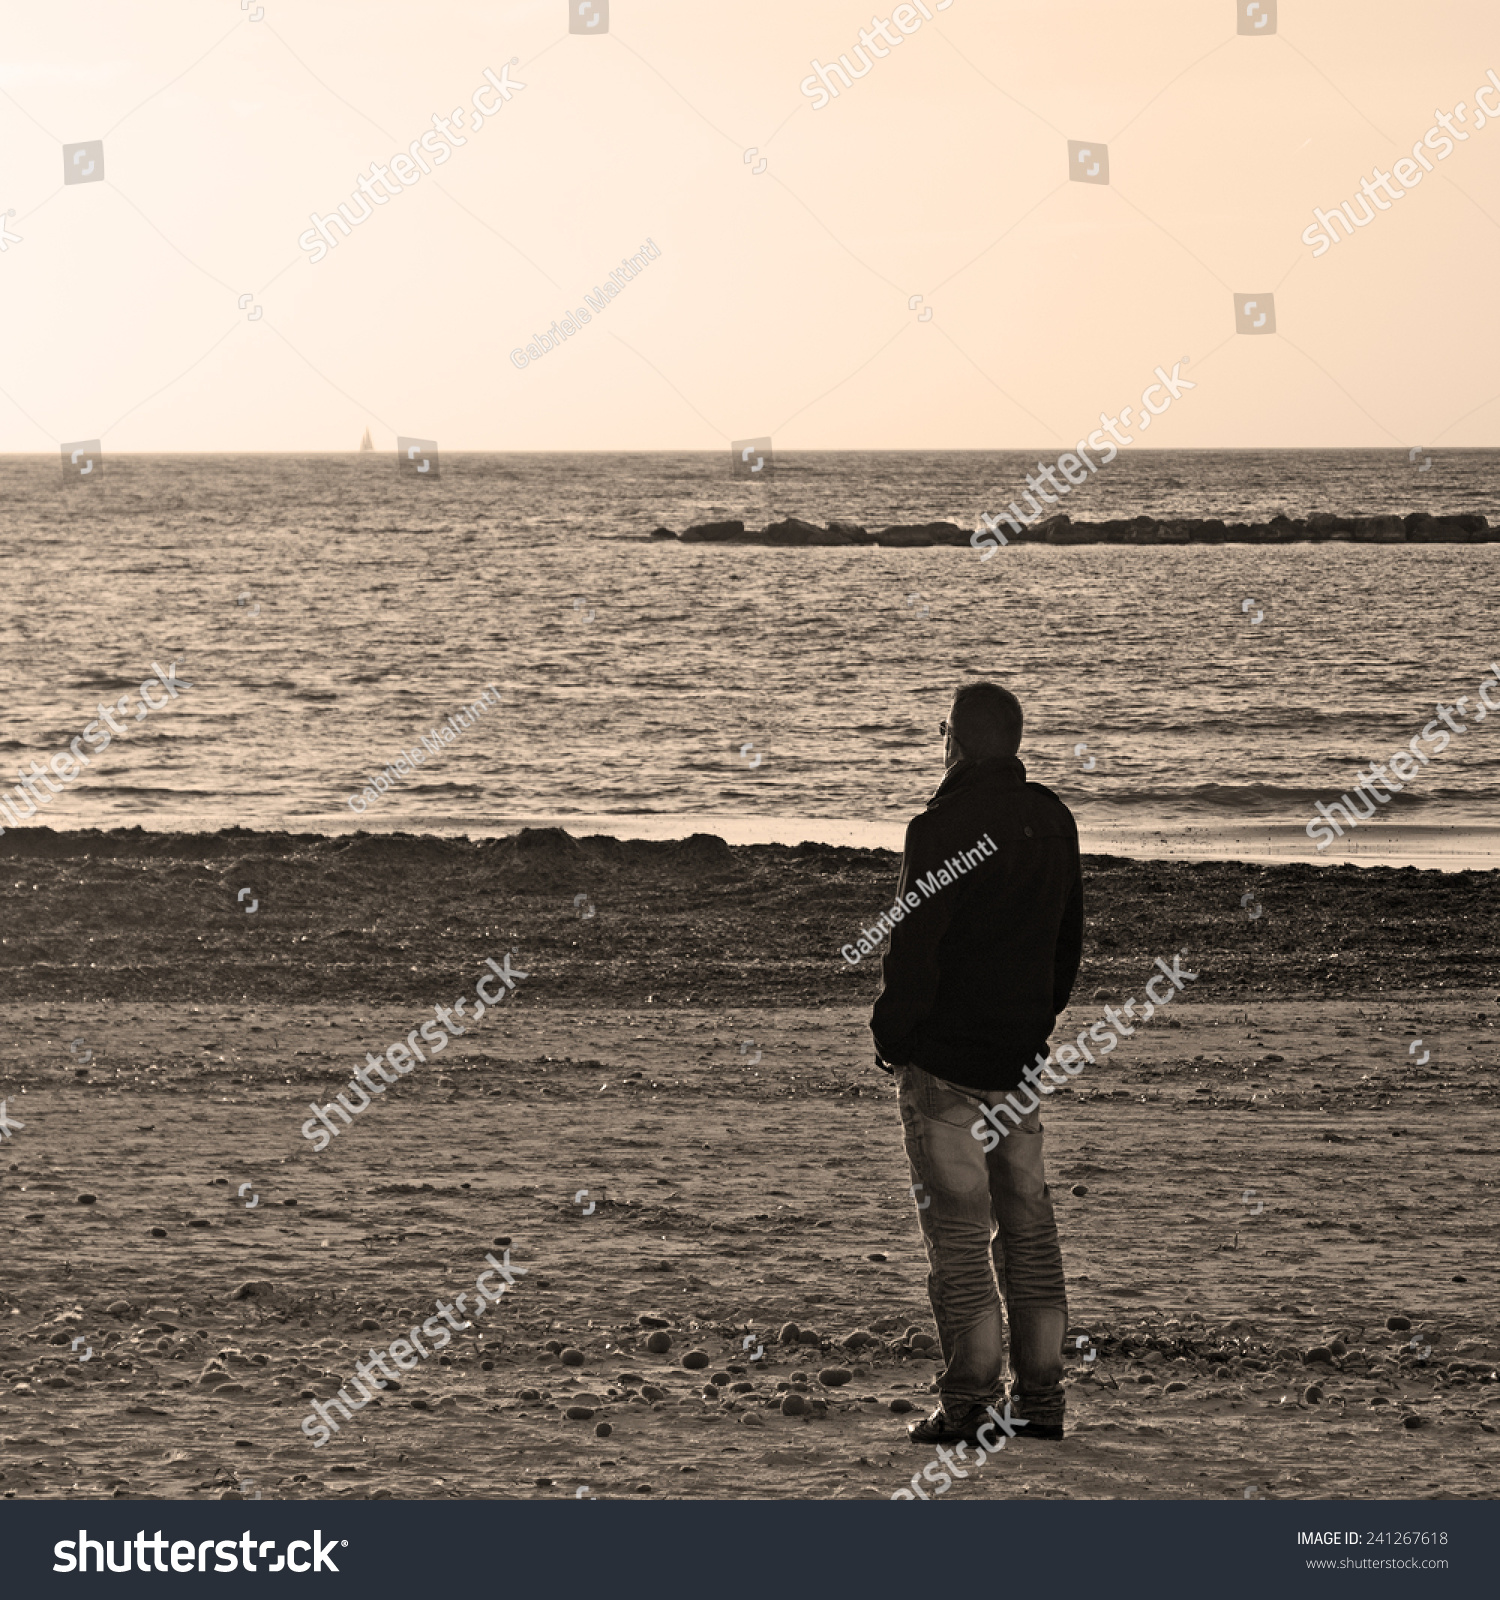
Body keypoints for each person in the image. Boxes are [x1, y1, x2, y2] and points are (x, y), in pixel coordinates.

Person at [871, 680, 1083, 1446]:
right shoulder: (1052, 821)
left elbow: (911, 955)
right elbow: (1067, 946)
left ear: (952, 740)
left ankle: (969, 1404)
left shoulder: (939, 827)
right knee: (1029, 1228)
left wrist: (893, 1039)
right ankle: (1041, 1400)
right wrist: (1035, 1022)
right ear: (1014, 743)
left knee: (959, 1239)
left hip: (945, 1062)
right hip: (1017, 1061)